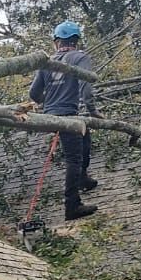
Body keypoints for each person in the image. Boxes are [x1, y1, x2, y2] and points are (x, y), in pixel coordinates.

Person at [28, 20, 98, 221]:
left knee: (85, 136)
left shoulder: (46, 63)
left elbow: (33, 93)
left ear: (57, 42)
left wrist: (48, 103)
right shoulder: (80, 57)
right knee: (73, 158)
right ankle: (72, 206)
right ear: (76, 40)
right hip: (68, 115)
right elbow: (87, 88)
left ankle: (83, 178)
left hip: (50, 116)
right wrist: (93, 111)